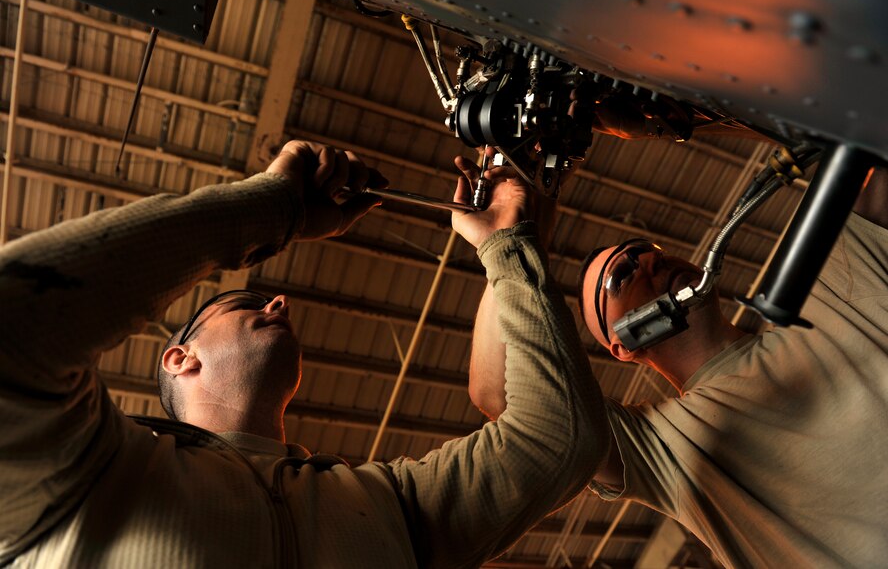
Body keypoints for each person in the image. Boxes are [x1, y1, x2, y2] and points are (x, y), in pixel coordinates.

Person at [0, 140, 608, 567]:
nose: (280, 302)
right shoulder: (85, 470)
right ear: (178, 358)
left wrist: (507, 245)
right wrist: (271, 206)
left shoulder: (388, 503)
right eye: (245, 305)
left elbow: (560, 439)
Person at [466, 155, 888, 568]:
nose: (650, 259)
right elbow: (497, 393)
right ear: (623, 345)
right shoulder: (664, 446)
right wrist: (508, 240)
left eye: (647, 249)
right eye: (621, 275)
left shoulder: (829, 298)